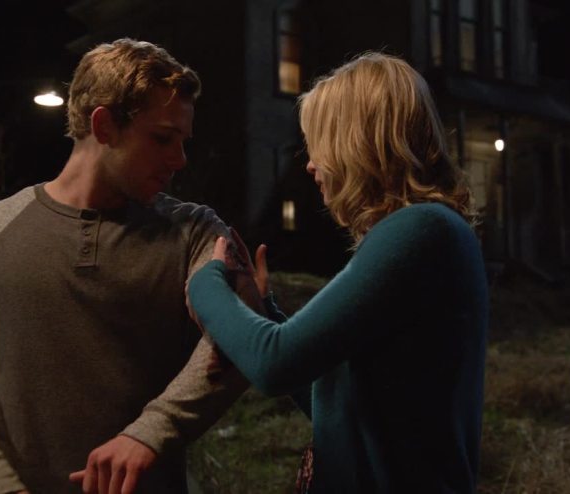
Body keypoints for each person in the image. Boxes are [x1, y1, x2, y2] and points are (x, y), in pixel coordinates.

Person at [0, 38, 257, 494]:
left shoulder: (195, 231)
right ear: (104, 126)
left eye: (183, 141)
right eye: (162, 138)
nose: (179, 160)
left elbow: (238, 339)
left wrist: (151, 431)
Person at [187, 52, 488, 493]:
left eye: (319, 143)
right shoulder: (424, 232)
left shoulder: (420, 231)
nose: (310, 164)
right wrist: (263, 310)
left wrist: (204, 280)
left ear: (357, 143)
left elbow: (273, 364)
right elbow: (342, 410)